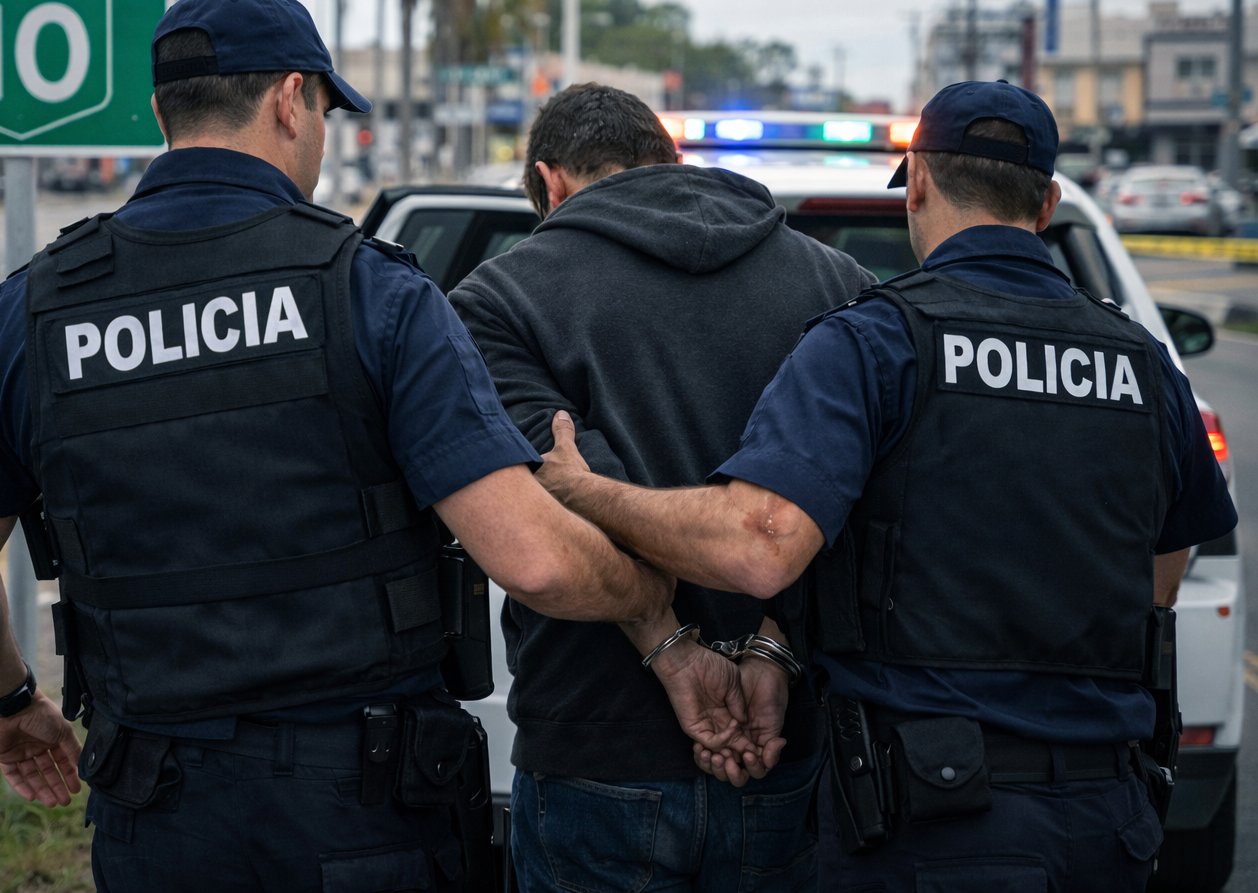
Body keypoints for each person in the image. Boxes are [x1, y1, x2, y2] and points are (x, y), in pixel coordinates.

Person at [0, 0, 674, 892]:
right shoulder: (371, 291)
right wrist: (655, 604)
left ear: (162, 111)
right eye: (321, 111)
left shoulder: (34, 308)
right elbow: (535, 562)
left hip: (155, 812)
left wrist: (7, 701)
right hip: (364, 813)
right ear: (288, 100)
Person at [530, 80, 1238, 891]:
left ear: (920, 182)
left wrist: (586, 491)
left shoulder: (876, 343)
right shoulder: (1144, 364)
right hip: (1105, 818)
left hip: (934, 817)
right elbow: (1163, 571)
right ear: (1046, 204)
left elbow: (761, 547)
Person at [449, 83, 873, 890]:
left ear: (550, 182)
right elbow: (857, 501)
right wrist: (776, 645)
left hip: (592, 739)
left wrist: (673, 649)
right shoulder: (838, 282)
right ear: (667, 159)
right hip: (788, 738)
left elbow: (562, 499)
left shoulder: (497, 300)